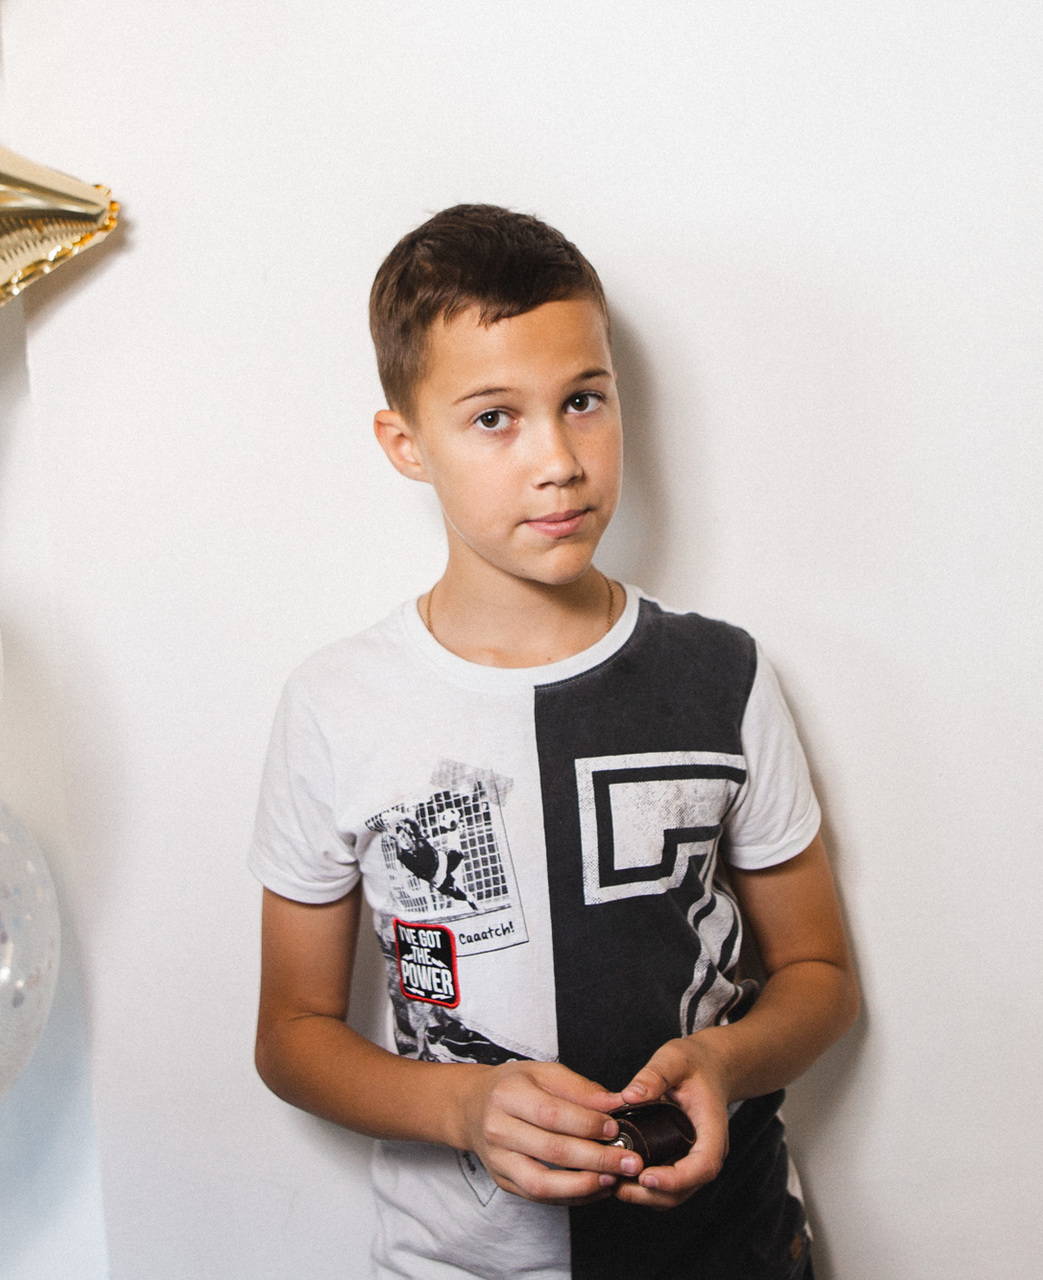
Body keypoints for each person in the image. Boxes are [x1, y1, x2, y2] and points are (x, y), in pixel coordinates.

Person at [249, 204, 859, 1279]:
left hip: (731, 1250)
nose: (560, 461)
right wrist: (461, 1104)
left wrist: (725, 1061)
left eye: (584, 401)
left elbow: (818, 972)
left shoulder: (723, 674)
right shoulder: (337, 706)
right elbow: (293, 1034)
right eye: (495, 417)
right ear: (406, 444)